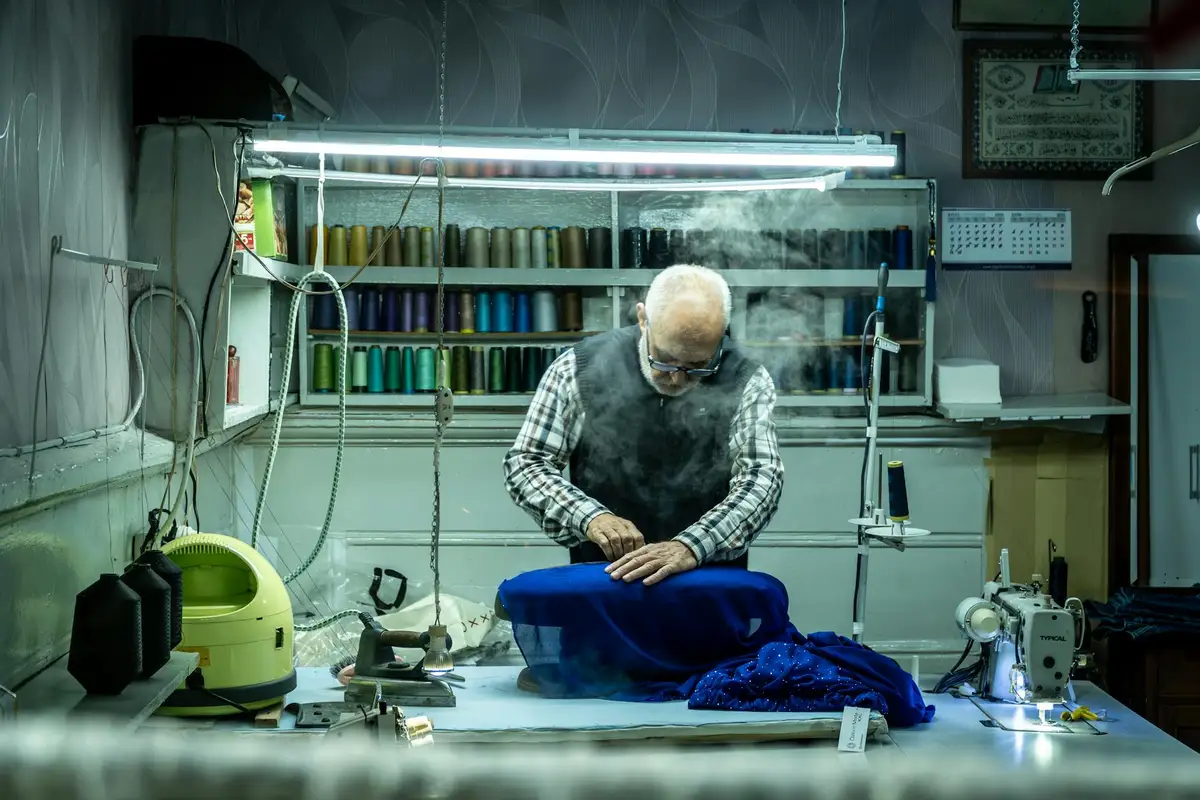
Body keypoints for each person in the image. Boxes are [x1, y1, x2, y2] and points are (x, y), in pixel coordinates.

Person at [503, 264, 784, 587]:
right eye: (664, 359)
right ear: (642, 319)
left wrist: (692, 545)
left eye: (698, 366)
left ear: (722, 333)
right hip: (605, 584)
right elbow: (528, 463)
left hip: (708, 587)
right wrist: (591, 517)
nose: (678, 378)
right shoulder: (578, 367)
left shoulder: (747, 378)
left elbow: (761, 478)